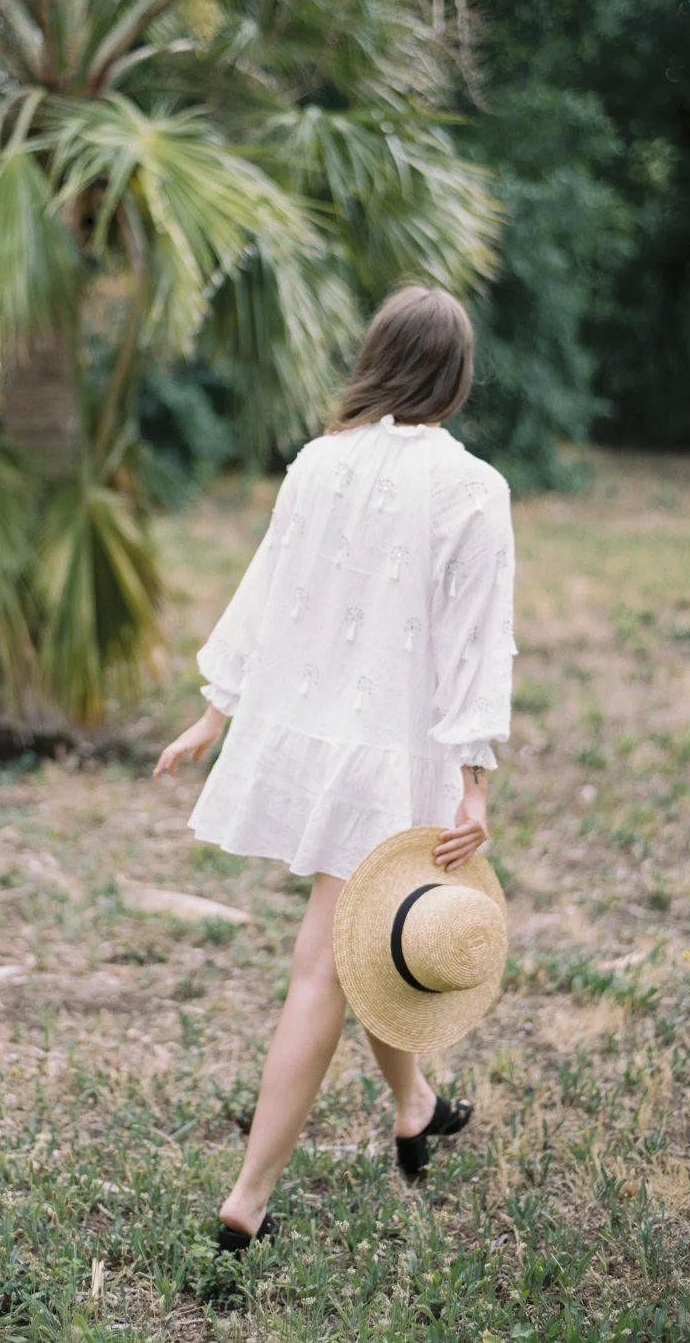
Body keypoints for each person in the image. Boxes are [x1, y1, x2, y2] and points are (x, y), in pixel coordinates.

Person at [153, 285, 517, 1243]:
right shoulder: (473, 487)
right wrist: (472, 780)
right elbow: (479, 645)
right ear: (456, 375)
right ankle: (248, 1199)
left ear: (377, 358)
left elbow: (263, 588)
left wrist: (214, 712)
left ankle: (414, 1107)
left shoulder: (317, 463)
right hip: (394, 758)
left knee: (369, 941)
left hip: (315, 745)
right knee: (328, 963)